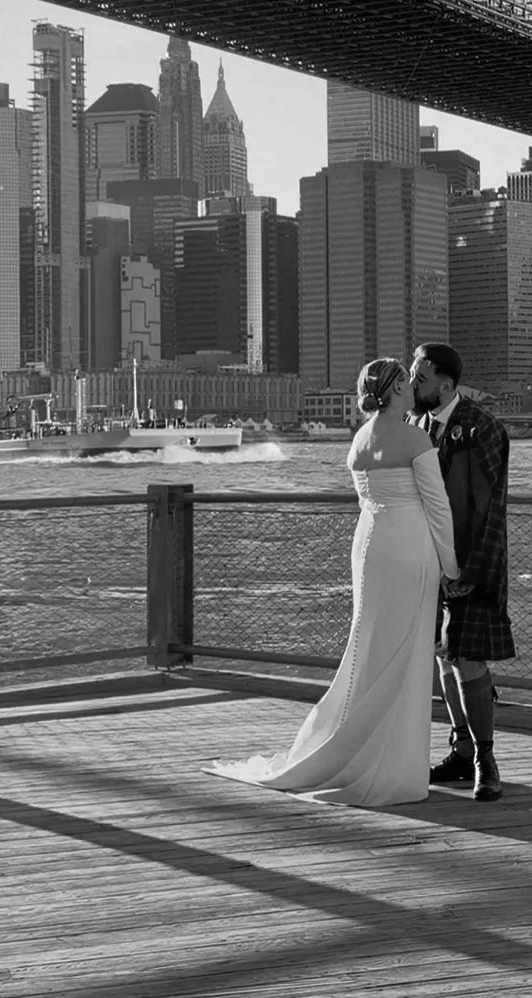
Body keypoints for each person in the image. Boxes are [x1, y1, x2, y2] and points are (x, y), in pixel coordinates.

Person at [208, 355, 458, 806]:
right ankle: (394, 767)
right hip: (408, 547)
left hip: (369, 546)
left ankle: (347, 746)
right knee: (406, 651)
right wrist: (452, 565)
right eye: (406, 380)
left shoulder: (360, 438)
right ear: (398, 389)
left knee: (368, 648)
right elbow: (437, 507)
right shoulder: (415, 437)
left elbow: (371, 498)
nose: (412, 385)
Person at [409, 341, 514, 802]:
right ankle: (460, 748)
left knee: (468, 658)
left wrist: (469, 569)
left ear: (446, 384)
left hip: (472, 559)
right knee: (442, 655)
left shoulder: (482, 427)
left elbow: (490, 507)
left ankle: (485, 762)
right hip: (426, 561)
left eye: (420, 377)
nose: (413, 384)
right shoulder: (414, 424)